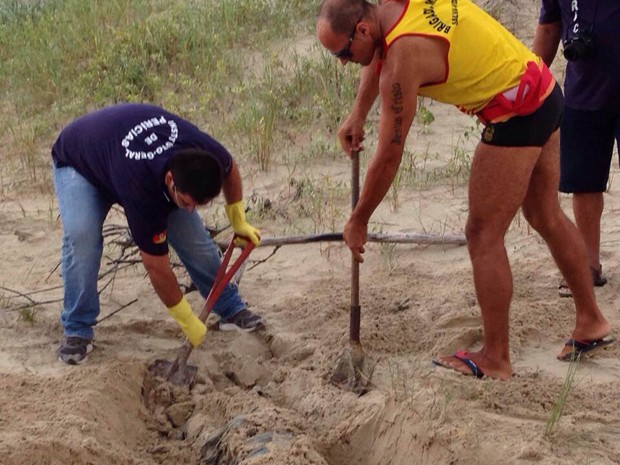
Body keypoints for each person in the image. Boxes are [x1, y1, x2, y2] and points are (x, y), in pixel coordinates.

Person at [316, 0, 612, 379]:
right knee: (544, 213)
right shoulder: (393, 8)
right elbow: (377, 53)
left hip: (515, 113)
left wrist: (358, 220)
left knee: (482, 233)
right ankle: (591, 320)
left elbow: (390, 154)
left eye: (342, 52)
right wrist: (358, 112)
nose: (341, 62)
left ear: (361, 30)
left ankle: (495, 358)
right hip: (542, 89)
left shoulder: (403, 60)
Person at [52, 103, 263, 365]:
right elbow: (157, 268)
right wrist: (187, 320)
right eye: (187, 203)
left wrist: (237, 219)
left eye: (198, 205)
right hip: (79, 162)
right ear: (170, 181)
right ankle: (77, 330)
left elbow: (230, 169)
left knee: (194, 240)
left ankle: (230, 308)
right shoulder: (142, 192)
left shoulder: (204, 151)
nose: (190, 210)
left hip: (118, 153)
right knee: (82, 238)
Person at [533, 0, 620, 298]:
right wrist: (528, 82)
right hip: (584, 91)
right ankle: (586, 265)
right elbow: (549, 27)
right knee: (583, 182)